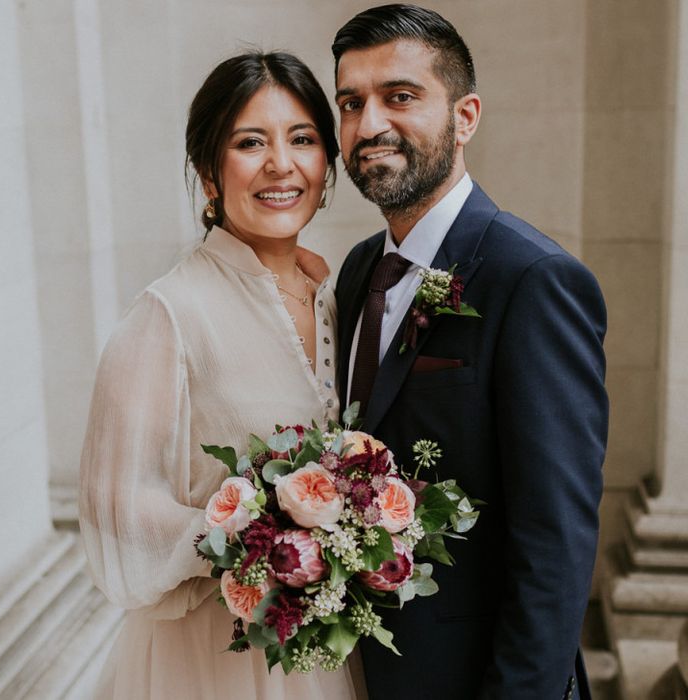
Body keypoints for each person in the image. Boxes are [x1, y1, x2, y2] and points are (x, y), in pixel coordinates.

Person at [331, 5, 608, 699]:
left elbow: (555, 542)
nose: (369, 126)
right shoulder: (359, 269)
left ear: (465, 116)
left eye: (400, 97)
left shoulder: (534, 279)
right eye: (350, 102)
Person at [79, 51, 359, 699]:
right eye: (250, 142)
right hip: (211, 655)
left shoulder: (337, 297)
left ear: (326, 165)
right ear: (208, 173)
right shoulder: (168, 313)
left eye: (303, 140)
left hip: (325, 649)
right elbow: (116, 508)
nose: (280, 164)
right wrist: (255, 533)